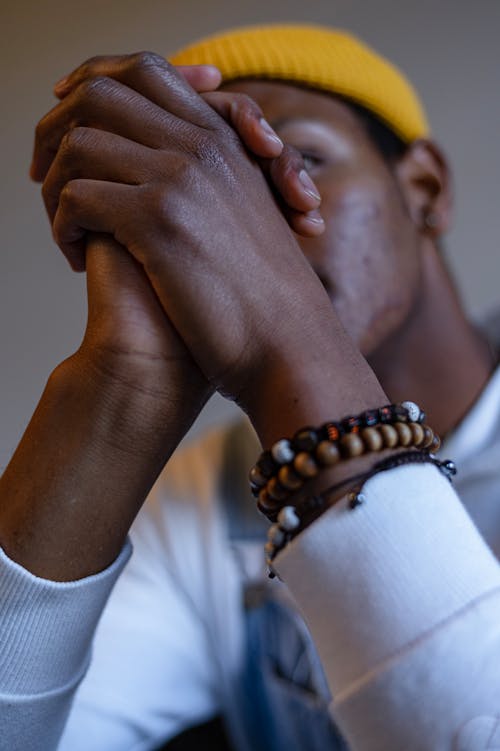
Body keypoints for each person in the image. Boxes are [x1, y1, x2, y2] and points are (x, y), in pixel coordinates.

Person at [1, 23, 500, 751]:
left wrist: (290, 334)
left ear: (424, 186)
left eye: (299, 161)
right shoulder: (196, 502)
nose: (250, 230)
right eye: (214, 201)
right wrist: (124, 379)